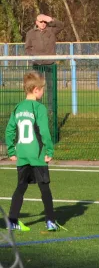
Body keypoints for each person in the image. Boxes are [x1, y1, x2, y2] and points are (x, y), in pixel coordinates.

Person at [5, 71, 62, 231]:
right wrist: (49, 150)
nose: (43, 92)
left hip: (22, 154)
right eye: (43, 89)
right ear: (36, 89)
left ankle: (13, 220)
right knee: (44, 187)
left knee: (21, 186)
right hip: (37, 155)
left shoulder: (18, 108)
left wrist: (11, 151)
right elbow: (44, 131)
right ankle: (50, 221)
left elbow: (9, 131)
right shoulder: (39, 108)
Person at [25, 14, 64, 114]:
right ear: (36, 22)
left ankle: (51, 109)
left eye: (44, 22)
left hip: (50, 63)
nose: (43, 24)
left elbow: (61, 25)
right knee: (36, 87)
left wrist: (49, 19)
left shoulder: (51, 30)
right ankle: (37, 108)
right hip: (37, 64)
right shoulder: (30, 33)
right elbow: (27, 48)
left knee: (51, 86)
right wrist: (34, 57)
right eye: (41, 22)